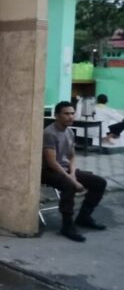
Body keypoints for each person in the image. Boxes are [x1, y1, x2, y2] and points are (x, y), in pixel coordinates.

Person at [42, 101, 107, 242]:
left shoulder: (70, 131)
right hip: (49, 171)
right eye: (66, 114)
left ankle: (84, 217)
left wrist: (72, 174)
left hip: (65, 169)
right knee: (69, 185)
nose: (70, 117)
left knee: (99, 182)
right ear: (57, 115)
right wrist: (72, 180)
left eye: (72, 113)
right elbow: (52, 163)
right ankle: (67, 226)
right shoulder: (49, 133)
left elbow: (71, 156)